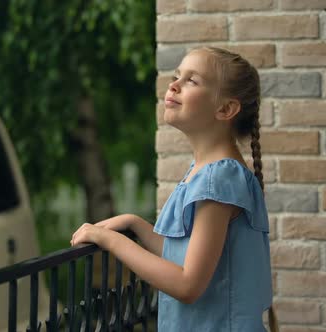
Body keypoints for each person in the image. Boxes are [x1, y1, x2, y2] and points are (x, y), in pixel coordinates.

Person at [71, 46, 278, 332]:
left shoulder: (218, 179)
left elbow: (187, 284)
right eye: (177, 75)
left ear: (226, 109)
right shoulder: (209, 173)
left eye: (192, 80)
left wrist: (111, 242)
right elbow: (184, 255)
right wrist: (137, 225)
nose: (174, 85)